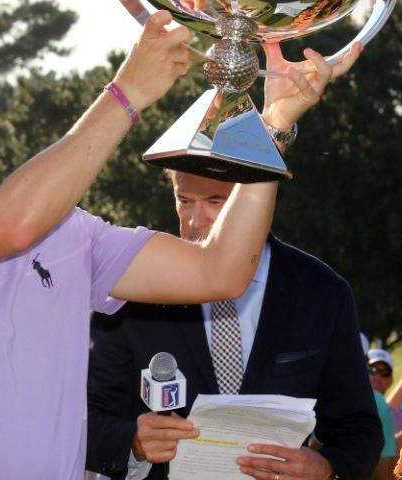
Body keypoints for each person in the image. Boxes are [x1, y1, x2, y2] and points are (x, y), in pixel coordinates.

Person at [0, 11, 360, 478]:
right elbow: (8, 227)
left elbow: (219, 271)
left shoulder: (66, 228)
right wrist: (127, 93)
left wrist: (269, 129)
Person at [85, 170, 382, 480]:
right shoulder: (133, 291)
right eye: (184, 201)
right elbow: (85, 419)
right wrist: (132, 441)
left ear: (261, 201)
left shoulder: (321, 292)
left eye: (216, 201)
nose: (195, 220)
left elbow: (359, 426)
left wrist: (327, 468)